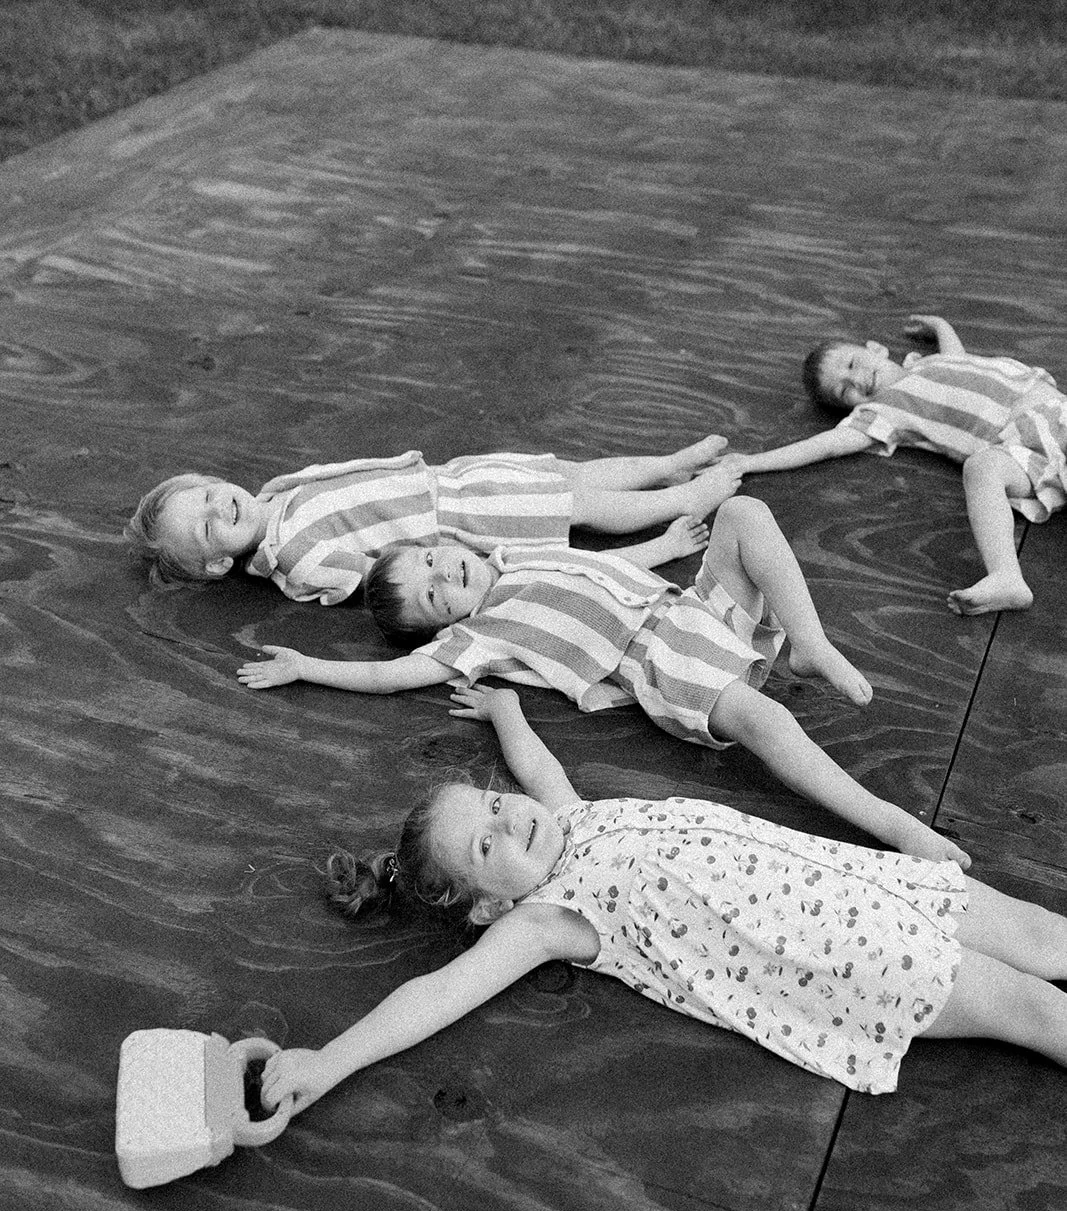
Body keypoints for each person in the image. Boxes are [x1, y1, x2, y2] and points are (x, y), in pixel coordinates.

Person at [259, 684, 1067, 1117]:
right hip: (840, 958)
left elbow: (538, 770)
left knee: (1041, 934)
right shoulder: (545, 921)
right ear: (484, 910)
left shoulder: (564, 818)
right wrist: (327, 1062)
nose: (511, 820)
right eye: (486, 845)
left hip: (858, 881)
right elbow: (434, 994)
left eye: (495, 804)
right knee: (1030, 1008)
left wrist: (504, 707)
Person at [237, 498, 968, 867]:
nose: (444, 576)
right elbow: (390, 675)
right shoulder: (476, 635)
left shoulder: (512, 551)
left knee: (743, 512)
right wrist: (308, 667)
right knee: (768, 724)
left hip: (688, 606)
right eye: (434, 595)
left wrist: (666, 545)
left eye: (432, 560)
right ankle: (894, 828)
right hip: (659, 659)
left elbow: (600, 564)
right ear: (441, 625)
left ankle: (808, 646)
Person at [729, 314, 1067, 616]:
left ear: (875, 349)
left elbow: (957, 358)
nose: (857, 380)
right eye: (845, 390)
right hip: (1024, 449)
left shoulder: (929, 363)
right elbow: (825, 446)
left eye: (851, 364)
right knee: (981, 468)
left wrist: (940, 326)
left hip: (1054, 413)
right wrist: (751, 462)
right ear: (850, 409)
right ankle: (1006, 575)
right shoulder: (882, 412)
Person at [124, 438, 738, 603]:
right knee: (579, 510)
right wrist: (447, 556)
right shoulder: (294, 556)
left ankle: (666, 465)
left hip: (450, 478)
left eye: (207, 495)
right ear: (219, 562)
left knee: (570, 476)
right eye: (208, 527)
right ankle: (682, 503)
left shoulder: (274, 492)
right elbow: (382, 576)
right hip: (456, 517)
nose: (218, 508)